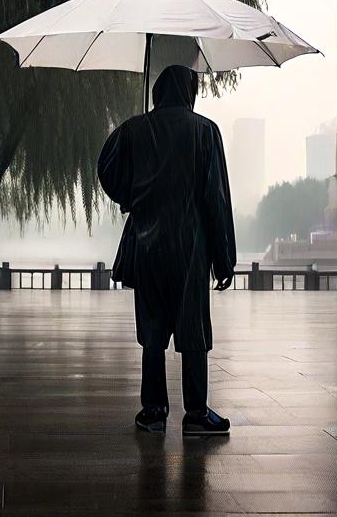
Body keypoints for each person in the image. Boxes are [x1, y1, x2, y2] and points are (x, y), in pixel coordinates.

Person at [97, 65, 237, 436]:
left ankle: (153, 411)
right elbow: (216, 199)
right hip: (190, 246)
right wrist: (224, 259)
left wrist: (132, 196)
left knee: (153, 331)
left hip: (146, 243)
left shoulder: (134, 129)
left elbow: (106, 168)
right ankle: (195, 413)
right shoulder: (205, 131)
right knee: (193, 330)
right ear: (187, 91)